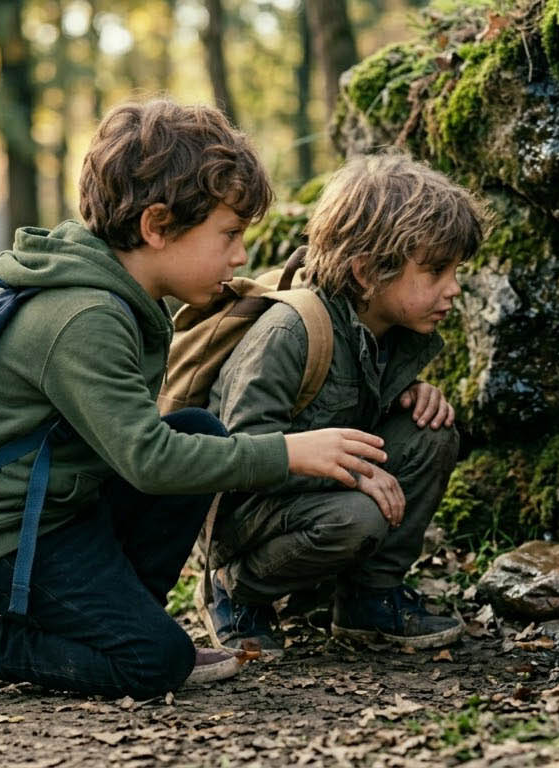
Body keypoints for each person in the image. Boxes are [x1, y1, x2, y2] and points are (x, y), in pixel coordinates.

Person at [0, 100, 389, 697]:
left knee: (197, 429)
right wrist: (289, 452)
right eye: (229, 234)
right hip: (1, 539)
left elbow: (152, 448)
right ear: (157, 226)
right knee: (154, 664)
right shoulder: (86, 317)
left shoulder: (123, 296)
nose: (241, 255)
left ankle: (116, 624)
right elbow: (148, 461)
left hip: (64, 510)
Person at [201, 151, 485, 656]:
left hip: (317, 499)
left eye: (456, 270)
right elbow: (240, 456)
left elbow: (353, 410)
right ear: (366, 272)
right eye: (436, 271)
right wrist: (353, 474)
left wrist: (409, 398)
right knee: (358, 517)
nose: (454, 289)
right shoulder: (289, 333)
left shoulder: (391, 328)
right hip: (246, 515)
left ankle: (367, 598)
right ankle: (235, 590)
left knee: (431, 432)